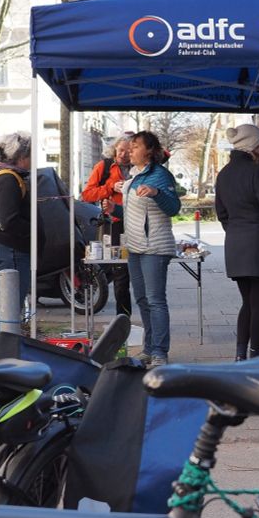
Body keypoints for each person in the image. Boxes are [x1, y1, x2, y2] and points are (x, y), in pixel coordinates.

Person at [214, 123, 259, 361]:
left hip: (236, 245)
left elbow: (221, 213)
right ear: (252, 145)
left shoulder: (224, 173)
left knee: (247, 302)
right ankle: (255, 355)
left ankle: (239, 355)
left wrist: (236, 231)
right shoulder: (256, 171)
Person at [105, 132, 180, 366]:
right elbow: (132, 213)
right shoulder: (134, 175)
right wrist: (112, 209)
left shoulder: (159, 175)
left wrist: (157, 193)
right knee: (142, 299)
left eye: (135, 146)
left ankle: (160, 352)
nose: (130, 150)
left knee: (156, 300)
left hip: (155, 247)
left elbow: (174, 207)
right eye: (129, 147)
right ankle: (149, 348)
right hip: (136, 247)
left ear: (148, 151)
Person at [81, 136, 132, 317]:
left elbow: (163, 154)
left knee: (137, 273)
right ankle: (123, 318)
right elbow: (87, 194)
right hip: (115, 225)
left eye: (130, 150)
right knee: (121, 275)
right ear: (115, 150)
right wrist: (111, 187)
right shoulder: (104, 167)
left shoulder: (142, 167)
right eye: (121, 151)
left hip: (138, 223)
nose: (125, 155)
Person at [0, 132, 32, 306]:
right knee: (10, 310)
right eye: (30, 155)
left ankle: (5, 334)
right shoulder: (8, 180)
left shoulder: (4, 176)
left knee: (11, 309)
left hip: (8, 250)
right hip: (10, 251)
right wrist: (32, 230)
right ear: (20, 157)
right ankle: (4, 335)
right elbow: (9, 220)